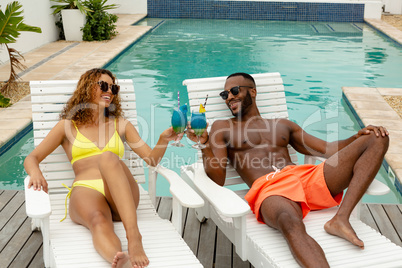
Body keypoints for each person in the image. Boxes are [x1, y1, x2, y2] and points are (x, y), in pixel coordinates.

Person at [186, 72, 389, 267]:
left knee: (377, 137)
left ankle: (341, 218)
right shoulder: (222, 127)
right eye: (225, 94)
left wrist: (356, 138)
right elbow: (218, 178)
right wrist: (205, 145)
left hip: (305, 178)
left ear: (253, 92)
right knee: (290, 223)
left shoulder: (283, 125)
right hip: (269, 188)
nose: (229, 97)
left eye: (235, 91)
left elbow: (327, 149)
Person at [24, 68, 179, 268]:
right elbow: (32, 157)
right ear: (86, 88)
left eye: (113, 87)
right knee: (98, 220)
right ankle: (118, 258)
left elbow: (151, 160)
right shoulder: (67, 126)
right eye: (103, 85)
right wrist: (35, 171)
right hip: (86, 190)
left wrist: (163, 139)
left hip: (122, 193)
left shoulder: (121, 125)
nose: (110, 91)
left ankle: (134, 237)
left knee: (107, 158)